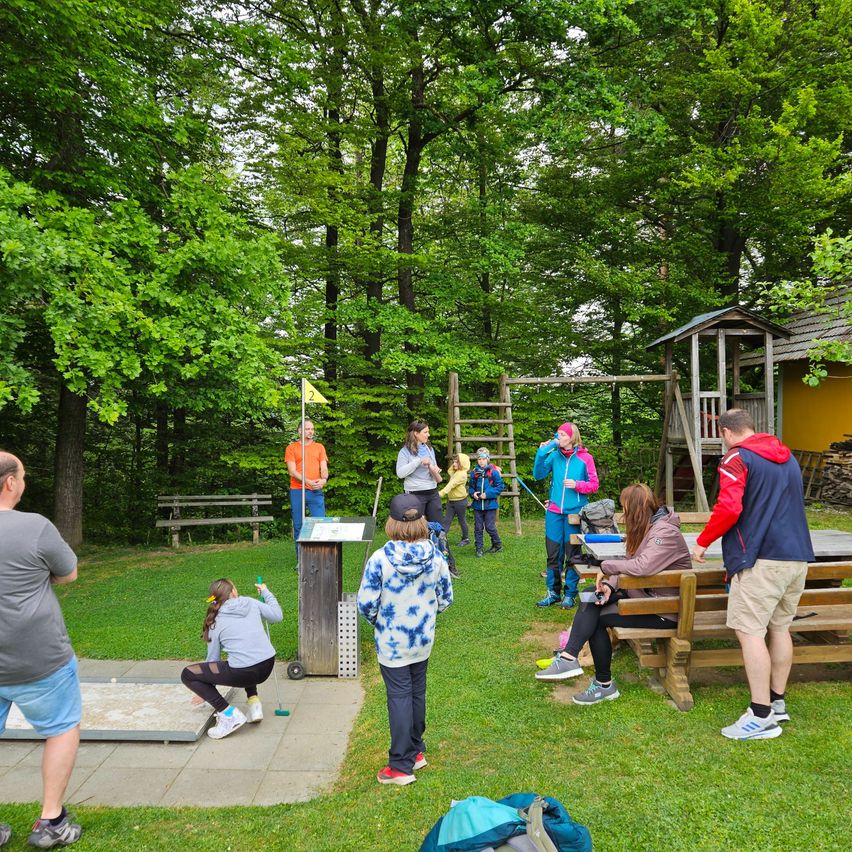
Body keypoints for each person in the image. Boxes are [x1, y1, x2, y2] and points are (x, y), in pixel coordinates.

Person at [691, 408, 814, 740]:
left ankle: (760, 716)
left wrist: (703, 542)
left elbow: (730, 507)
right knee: (780, 628)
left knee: (749, 632)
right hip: (797, 556)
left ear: (727, 433)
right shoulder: (786, 457)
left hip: (761, 559)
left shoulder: (736, 458)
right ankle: (778, 703)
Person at [535, 483, 692, 705]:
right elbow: (630, 564)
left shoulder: (664, 532)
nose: (623, 514)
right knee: (591, 594)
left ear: (636, 509)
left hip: (663, 610)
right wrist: (609, 586)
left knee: (597, 618)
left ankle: (601, 683)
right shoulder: (648, 527)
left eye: (625, 509)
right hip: (647, 599)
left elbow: (641, 567)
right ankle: (571, 658)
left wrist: (607, 567)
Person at [0, 451, 83, 848]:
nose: (25, 483)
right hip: (38, 656)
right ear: (10, 483)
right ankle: (51, 821)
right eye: (24, 476)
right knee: (62, 728)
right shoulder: (34, 527)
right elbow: (68, 572)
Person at [357, 494, 453, 786]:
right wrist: (424, 616)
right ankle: (416, 750)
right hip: (422, 639)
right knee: (416, 693)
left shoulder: (380, 559)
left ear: (392, 522)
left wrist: (381, 622)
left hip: (392, 640)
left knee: (400, 696)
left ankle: (400, 765)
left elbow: (365, 603)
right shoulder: (436, 556)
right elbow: (445, 599)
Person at [181, 578, 283, 739]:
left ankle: (228, 714)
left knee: (188, 674)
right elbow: (277, 616)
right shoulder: (250, 602)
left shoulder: (214, 621)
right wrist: (265, 591)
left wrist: (204, 688)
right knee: (241, 658)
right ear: (234, 592)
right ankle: (254, 703)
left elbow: (213, 660)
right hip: (267, 665)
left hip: (244, 673)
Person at [532, 422, 599, 608]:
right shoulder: (553, 456)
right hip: (554, 512)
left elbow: (594, 485)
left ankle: (569, 594)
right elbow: (537, 474)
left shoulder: (586, 458)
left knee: (572, 555)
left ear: (571, 437)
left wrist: (577, 485)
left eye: (561, 434)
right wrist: (541, 453)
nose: (557, 437)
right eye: (557, 434)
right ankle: (552, 593)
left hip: (574, 513)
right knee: (553, 554)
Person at [285, 420, 329, 556]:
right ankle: (301, 560)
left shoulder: (319, 447)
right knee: (298, 526)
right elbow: (292, 471)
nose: (311, 431)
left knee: (320, 523)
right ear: (300, 431)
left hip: (315, 491)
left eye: (312, 429)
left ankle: (320, 557)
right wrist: (308, 481)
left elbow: (324, 467)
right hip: (297, 490)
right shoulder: (291, 448)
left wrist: (323, 480)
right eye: (307, 429)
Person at [395, 421, 443, 523]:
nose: (428, 435)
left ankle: (437, 539)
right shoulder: (404, 452)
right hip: (415, 493)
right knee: (416, 526)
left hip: (432, 491)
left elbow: (433, 466)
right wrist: (418, 461)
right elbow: (400, 473)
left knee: (437, 524)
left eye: (428, 432)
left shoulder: (429, 449)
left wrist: (435, 468)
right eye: (425, 432)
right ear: (416, 434)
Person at [468, 448, 505, 557]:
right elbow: (470, 487)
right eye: (479, 459)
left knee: (490, 527)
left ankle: (497, 544)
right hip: (478, 506)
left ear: (488, 459)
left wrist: (487, 494)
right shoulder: (474, 473)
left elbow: (500, 487)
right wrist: (473, 493)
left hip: (490, 505)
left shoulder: (493, 472)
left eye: (484, 459)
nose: (481, 461)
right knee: (478, 527)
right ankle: (479, 548)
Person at [439, 452, 470, 545]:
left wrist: (441, 493)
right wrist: (455, 464)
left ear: (463, 463)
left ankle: (466, 539)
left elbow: (451, 485)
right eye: (454, 462)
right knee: (447, 520)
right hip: (451, 501)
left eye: (457, 462)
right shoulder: (456, 472)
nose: (454, 464)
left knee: (462, 520)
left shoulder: (462, 474)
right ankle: (441, 538)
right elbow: (450, 471)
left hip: (460, 501)